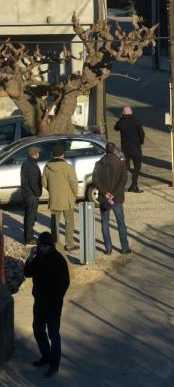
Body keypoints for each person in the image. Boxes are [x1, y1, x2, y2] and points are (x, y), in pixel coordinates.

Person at [24, 232, 70, 378]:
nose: (41, 248)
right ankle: (46, 356)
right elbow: (27, 273)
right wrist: (30, 258)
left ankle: (54, 365)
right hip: (39, 303)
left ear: (50, 246)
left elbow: (65, 282)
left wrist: (56, 298)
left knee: (53, 334)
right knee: (38, 330)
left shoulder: (58, 260)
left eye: (44, 246)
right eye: (40, 246)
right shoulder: (38, 258)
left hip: (53, 305)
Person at [92, 142, 131, 255]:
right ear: (114, 150)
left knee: (105, 223)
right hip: (117, 197)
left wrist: (106, 193)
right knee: (121, 223)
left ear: (105, 150)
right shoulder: (120, 163)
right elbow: (123, 180)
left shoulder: (98, 164)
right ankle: (124, 247)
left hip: (104, 198)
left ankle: (108, 248)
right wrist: (113, 194)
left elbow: (95, 179)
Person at [42, 144, 77, 252]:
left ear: (53, 154)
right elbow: (74, 183)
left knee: (54, 223)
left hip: (54, 199)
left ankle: (56, 244)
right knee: (69, 222)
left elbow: (44, 183)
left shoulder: (47, 167)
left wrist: (52, 190)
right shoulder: (68, 167)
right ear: (63, 154)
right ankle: (69, 244)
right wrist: (74, 195)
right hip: (67, 199)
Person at [114, 106, 145, 193]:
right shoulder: (136, 121)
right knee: (137, 167)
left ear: (123, 113)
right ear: (131, 112)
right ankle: (134, 185)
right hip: (136, 147)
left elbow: (115, 128)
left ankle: (121, 186)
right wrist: (141, 142)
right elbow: (141, 133)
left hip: (125, 148)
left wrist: (121, 118)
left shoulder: (121, 122)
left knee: (125, 167)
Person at [20, 145, 42, 244]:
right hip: (32, 195)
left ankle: (28, 237)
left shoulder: (26, 163)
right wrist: (38, 193)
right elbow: (33, 182)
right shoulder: (32, 165)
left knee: (28, 216)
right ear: (34, 154)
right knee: (31, 217)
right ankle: (29, 239)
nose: (39, 154)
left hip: (27, 194)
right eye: (38, 153)